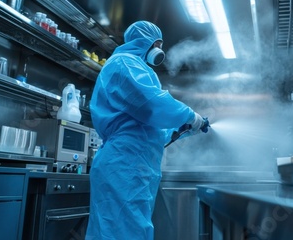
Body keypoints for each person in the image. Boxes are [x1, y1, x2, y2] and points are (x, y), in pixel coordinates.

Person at [85, 20, 209, 239]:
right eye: (157, 43)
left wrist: (181, 129)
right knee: (123, 232)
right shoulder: (124, 63)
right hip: (123, 164)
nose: (159, 49)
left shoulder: (136, 67)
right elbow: (150, 102)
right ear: (145, 41)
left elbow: (147, 128)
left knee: (129, 230)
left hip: (133, 164)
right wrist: (190, 115)